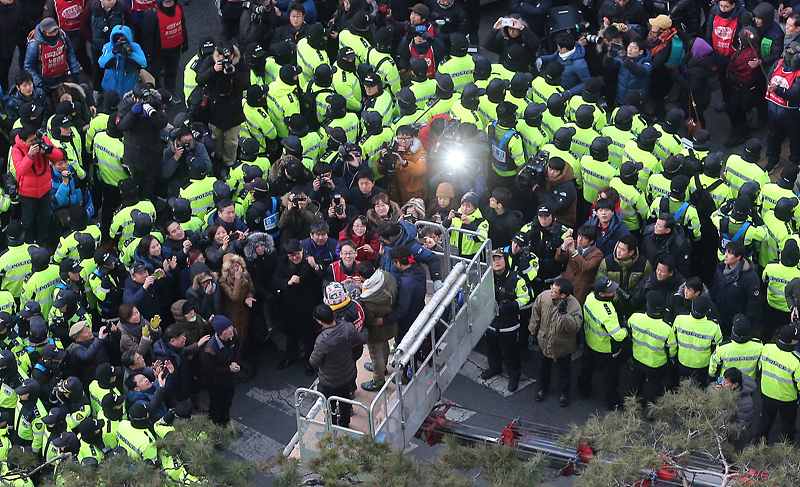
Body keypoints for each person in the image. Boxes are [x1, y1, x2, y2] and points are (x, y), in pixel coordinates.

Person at [309, 303, 366, 427]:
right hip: (347, 374)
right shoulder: (348, 327)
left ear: (319, 321)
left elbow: (314, 361)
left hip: (329, 380)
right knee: (345, 400)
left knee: (330, 404)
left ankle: (331, 425)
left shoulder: (322, 340)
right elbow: (361, 339)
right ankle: (345, 423)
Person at [481, 249, 530, 392]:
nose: (496, 261)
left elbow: (525, 297)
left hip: (509, 324)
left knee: (512, 353)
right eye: (493, 258)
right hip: (491, 321)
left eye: (499, 258)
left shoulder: (517, 280)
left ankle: (514, 377)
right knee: (492, 349)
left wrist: (514, 305)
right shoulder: (486, 277)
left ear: (506, 260)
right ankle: (494, 368)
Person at [195, 41, 250, 167]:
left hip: (233, 111)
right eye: (222, 57)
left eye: (228, 57)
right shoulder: (210, 62)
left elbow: (246, 85)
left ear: (233, 55)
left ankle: (230, 163)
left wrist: (234, 72)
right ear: (217, 54)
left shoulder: (241, 63)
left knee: (231, 142)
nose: (225, 60)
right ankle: (218, 160)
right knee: (216, 139)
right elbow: (199, 80)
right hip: (215, 110)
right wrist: (213, 70)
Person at [530, 277, 581, 407]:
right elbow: (535, 315)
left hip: (562, 345)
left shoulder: (574, 306)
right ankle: (542, 389)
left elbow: (574, 327)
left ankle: (564, 393)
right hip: (544, 341)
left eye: (554, 290)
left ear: (563, 295)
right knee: (544, 367)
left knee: (564, 370)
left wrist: (564, 314)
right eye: (551, 288)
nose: (550, 291)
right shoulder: (544, 297)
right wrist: (532, 333)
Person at [579, 277, 628, 410]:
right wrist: (626, 329)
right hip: (605, 349)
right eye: (610, 291)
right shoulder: (608, 313)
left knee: (587, 370)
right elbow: (618, 336)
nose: (613, 292)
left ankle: (583, 391)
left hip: (590, 342)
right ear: (601, 294)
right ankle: (612, 402)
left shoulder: (590, 297)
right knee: (610, 378)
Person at [12, 125, 65, 246]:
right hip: (27, 193)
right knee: (27, 220)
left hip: (45, 189)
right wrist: (30, 155)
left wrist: (47, 152)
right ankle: (29, 243)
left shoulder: (43, 140)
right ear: (23, 141)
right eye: (31, 141)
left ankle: (43, 243)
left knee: (44, 217)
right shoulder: (17, 149)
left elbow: (59, 156)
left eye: (35, 139)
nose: (34, 142)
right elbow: (20, 170)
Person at [628, 291, 676, 407]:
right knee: (653, 387)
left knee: (636, 383)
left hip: (638, 359)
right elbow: (672, 349)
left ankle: (632, 405)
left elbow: (629, 335)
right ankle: (649, 409)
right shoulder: (667, 328)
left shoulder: (635, 318)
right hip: (656, 365)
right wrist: (671, 360)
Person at [756, 324, 800, 443]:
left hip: (767, 393)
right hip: (787, 400)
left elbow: (760, 367)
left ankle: (758, 444)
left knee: (765, 420)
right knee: (787, 425)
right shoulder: (796, 361)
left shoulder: (767, 348)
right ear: (793, 341)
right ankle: (786, 448)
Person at [710, 241, 760, 337]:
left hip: (736, 319)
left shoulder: (750, 276)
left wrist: (746, 320)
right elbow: (715, 288)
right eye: (726, 252)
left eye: (730, 253)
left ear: (738, 257)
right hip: (720, 314)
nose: (726, 255)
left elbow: (753, 301)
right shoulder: (720, 267)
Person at [141, 0, 188, 95]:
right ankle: (157, 92)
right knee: (155, 74)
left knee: (172, 72)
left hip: (175, 49)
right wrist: (148, 55)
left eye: (171, 2)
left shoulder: (178, 7)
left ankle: (170, 91)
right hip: (158, 52)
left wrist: (185, 42)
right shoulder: (151, 14)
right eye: (166, 2)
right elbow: (147, 38)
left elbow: (182, 25)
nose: (169, 5)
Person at [673, 295, 722, 387]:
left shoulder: (680, 319)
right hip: (702, 366)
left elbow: (673, 340)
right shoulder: (713, 326)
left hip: (682, 362)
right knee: (699, 389)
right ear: (707, 311)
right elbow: (718, 348)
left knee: (682, 387)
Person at [200, 315, 240, 425]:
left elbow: (237, 349)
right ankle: (214, 425)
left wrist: (235, 362)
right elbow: (209, 371)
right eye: (226, 329)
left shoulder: (234, 335)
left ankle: (225, 421)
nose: (230, 330)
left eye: (230, 326)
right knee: (216, 405)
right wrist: (228, 369)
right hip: (216, 383)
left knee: (228, 402)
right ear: (219, 332)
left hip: (230, 379)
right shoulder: (210, 350)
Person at [24, 17, 81, 92]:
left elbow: (70, 53)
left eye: (55, 30)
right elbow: (28, 66)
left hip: (62, 79)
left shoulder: (62, 36)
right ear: (43, 32)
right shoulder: (34, 45)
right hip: (44, 82)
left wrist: (75, 71)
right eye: (51, 32)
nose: (54, 34)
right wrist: (39, 83)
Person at [555, 226, 603, 304]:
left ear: (591, 241)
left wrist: (574, 253)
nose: (580, 239)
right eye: (579, 236)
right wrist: (564, 246)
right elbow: (558, 257)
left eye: (584, 238)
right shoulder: (574, 244)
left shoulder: (597, 254)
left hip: (582, 288)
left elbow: (585, 267)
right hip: (567, 283)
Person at [709, 314, 763, 382]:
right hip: (748, 383)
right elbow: (761, 366)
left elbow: (714, 365)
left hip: (727, 384)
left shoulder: (722, 348)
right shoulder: (758, 346)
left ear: (733, 329)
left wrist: (711, 377)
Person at [98, 25, 146, 96]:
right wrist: (113, 53)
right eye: (117, 38)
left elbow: (143, 63)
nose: (119, 41)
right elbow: (101, 63)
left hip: (129, 86)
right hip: (110, 85)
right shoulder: (108, 47)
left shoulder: (135, 47)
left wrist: (130, 54)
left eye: (123, 39)